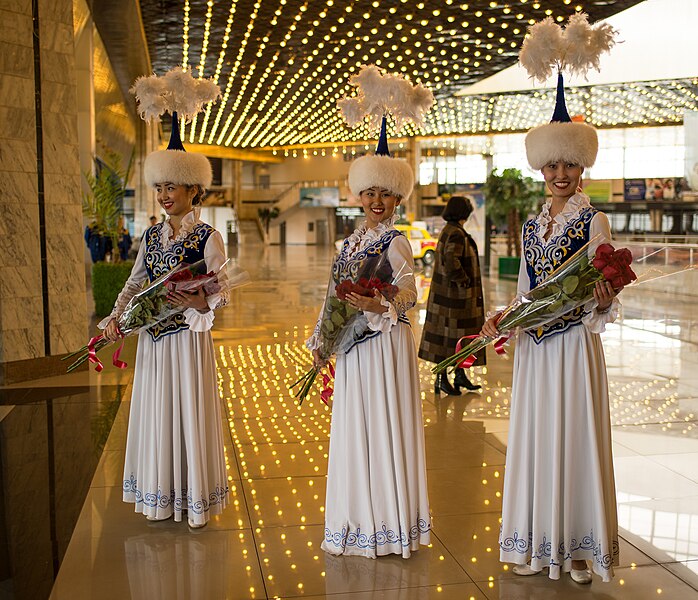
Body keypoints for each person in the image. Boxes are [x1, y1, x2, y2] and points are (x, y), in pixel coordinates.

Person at [483, 69, 620, 583]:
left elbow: (600, 286)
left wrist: (603, 301)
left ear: (582, 166)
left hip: (573, 346)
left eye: (570, 163)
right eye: (552, 164)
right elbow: (525, 286)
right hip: (536, 352)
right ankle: (538, 543)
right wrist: (506, 318)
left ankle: (580, 550)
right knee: (539, 438)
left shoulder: (594, 221)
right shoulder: (532, 224)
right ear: (541, 168)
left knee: (575, 438)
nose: (561, 173)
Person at [101, 69, 228, 528]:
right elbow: (136, 282)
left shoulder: (209, 238)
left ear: (194, 189)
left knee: (188, 414)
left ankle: (192, 498)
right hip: (154, 345)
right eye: (159, 187)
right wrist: (116, 318)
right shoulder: (152, 235)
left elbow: (221, 293)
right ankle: (160, 495)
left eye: (171, 187)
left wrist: (199, 302)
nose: (163, 196)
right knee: (159, 416)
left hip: (188, 344)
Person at [309, 114, 431, 559]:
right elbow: (331, 297)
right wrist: (322, 341)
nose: (377, 200)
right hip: (352, 349)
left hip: (383, 346)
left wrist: (380, 305)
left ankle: (387, 521)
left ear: (398, 197)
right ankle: (357, 517)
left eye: (386, 193)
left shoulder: (396, 241)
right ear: (359, 195)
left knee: (382, 424)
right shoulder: (347, 244)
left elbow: (409, 294)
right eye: (370, 192)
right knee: (356, 426)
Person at [418, 196, 484, 395]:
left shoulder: (450, 230)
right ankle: (442, 379)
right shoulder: (455, 233)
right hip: (455, 299)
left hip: (447, 297)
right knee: (451, 338)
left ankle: (459, 376)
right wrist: (463, 281)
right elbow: (451, 259)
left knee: (453, 338)